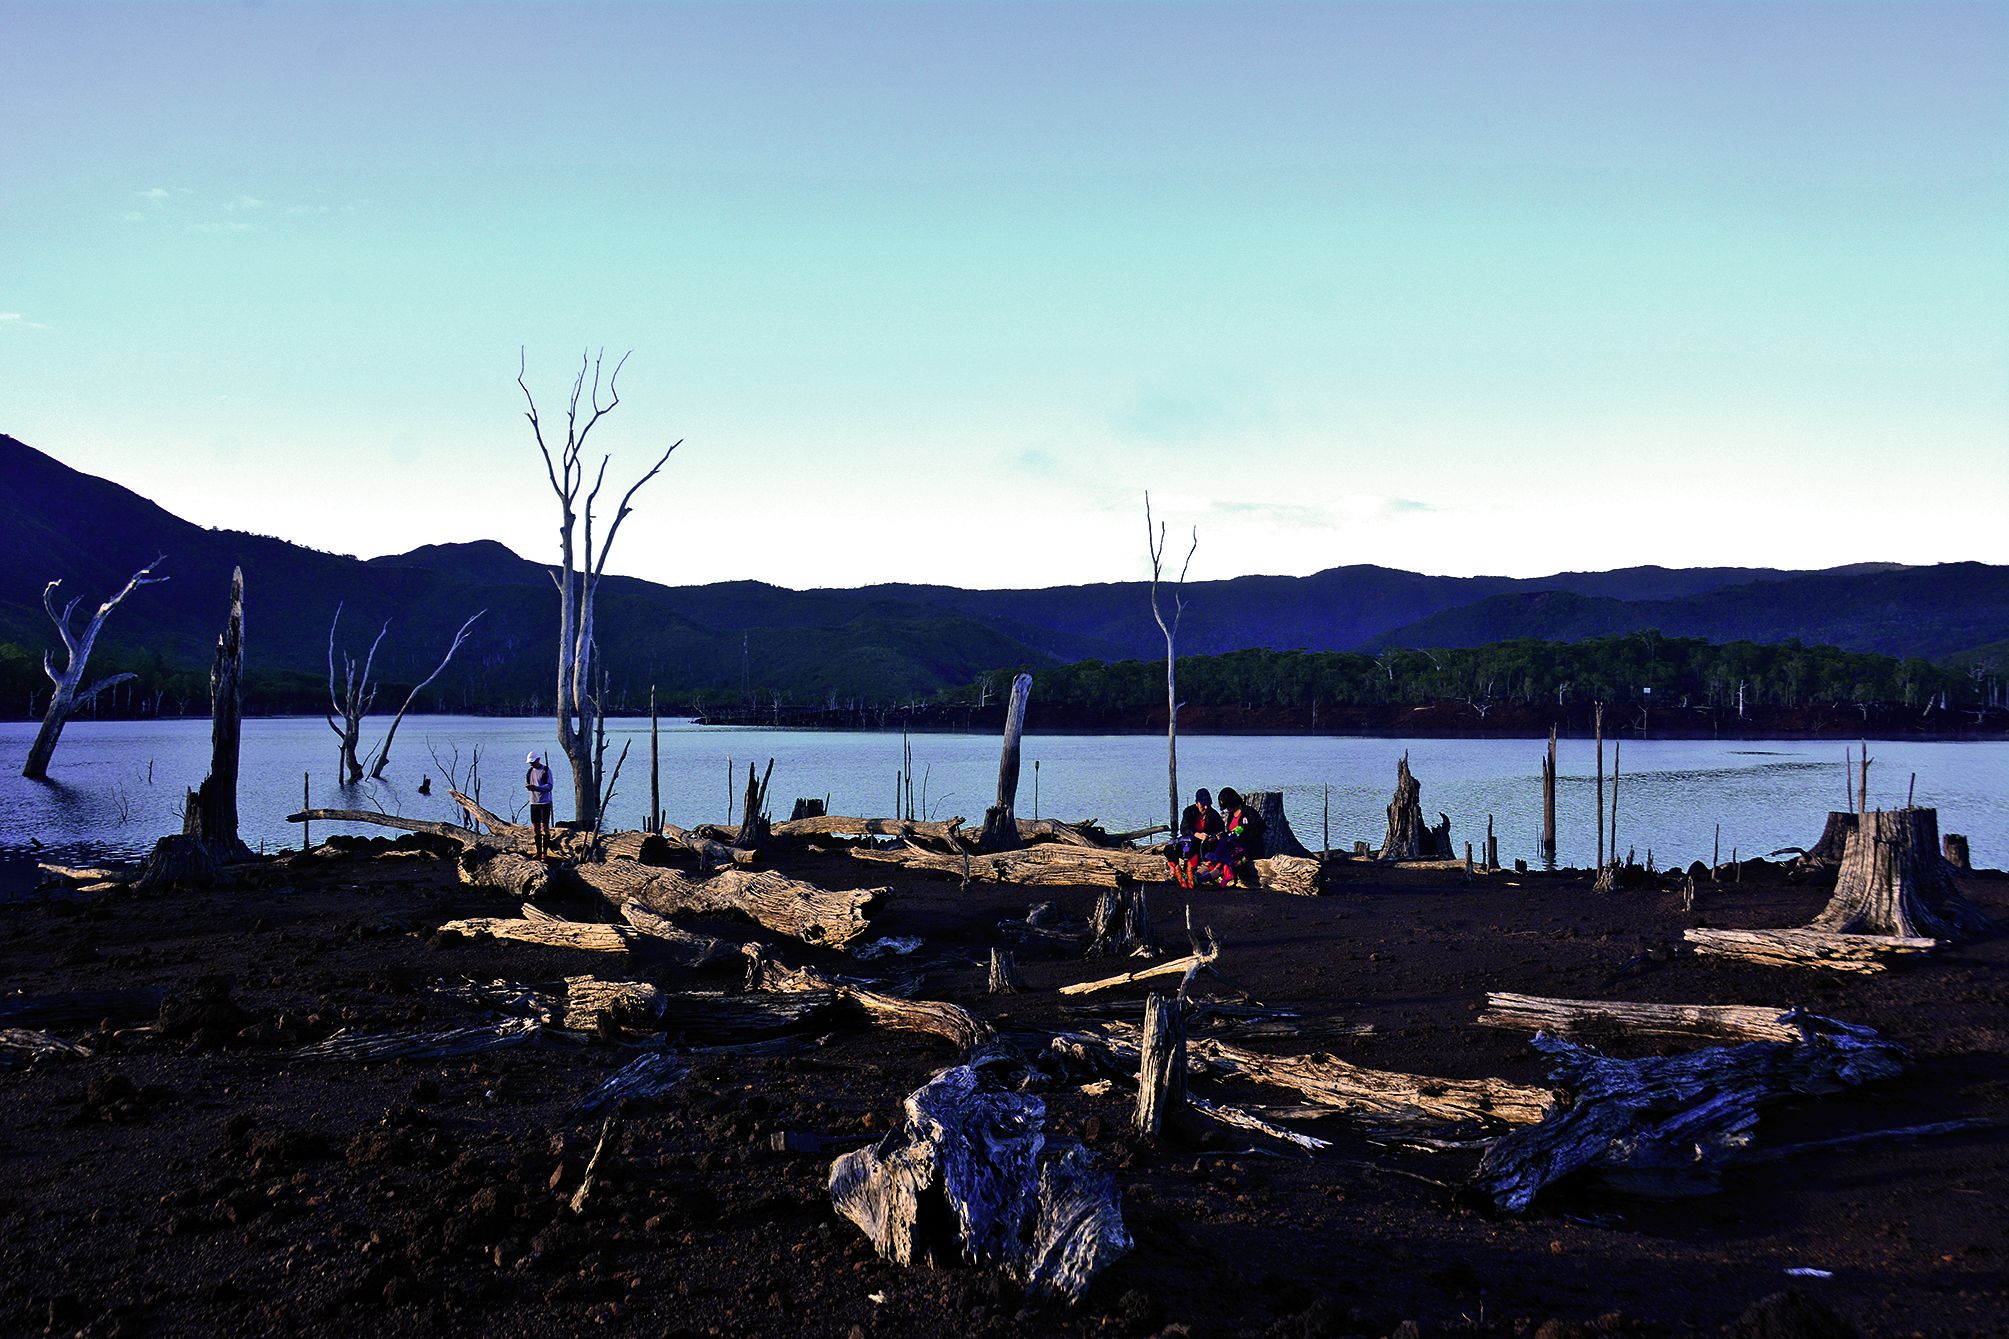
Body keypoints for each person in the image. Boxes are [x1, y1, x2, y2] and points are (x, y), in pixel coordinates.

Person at [1210, 787, 1267, 887]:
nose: (1227, 809)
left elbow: (1260, 829)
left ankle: (1213, 877)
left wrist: (1244, 832)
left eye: (1227, 806)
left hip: (1247, 849)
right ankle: (1209, 876)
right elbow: (1230, 832)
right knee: (1219, 852)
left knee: (1227, 856)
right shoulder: (1231, 815)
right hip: (1233, 848)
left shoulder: (1249, 813)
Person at [1167, 788, 1224, 888]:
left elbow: (1220, 830)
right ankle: (1173, 873)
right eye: (1203, 805)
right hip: (1190, 843)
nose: (1206, 807)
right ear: (1197, 803)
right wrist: (1197, 834)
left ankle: (1193, 874)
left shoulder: (1214, 815)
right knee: (1171, 848)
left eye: (1208, 805)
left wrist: (1214, 837)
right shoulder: (1189, 811)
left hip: (1205, 846)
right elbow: (1184, 829)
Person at [525, 751, 554, 858]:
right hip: (534, 802)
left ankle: (545, 853)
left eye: (533, 762)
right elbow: (528, 783)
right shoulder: (529, 771)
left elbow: (549, 786)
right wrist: (530, 787)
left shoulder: (546, 770)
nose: (531, 764)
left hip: (545, 802)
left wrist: (537, 788)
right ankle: (538, 851)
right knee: (535, 828)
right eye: (530, 763)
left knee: (544, 827)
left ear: (538, 759)